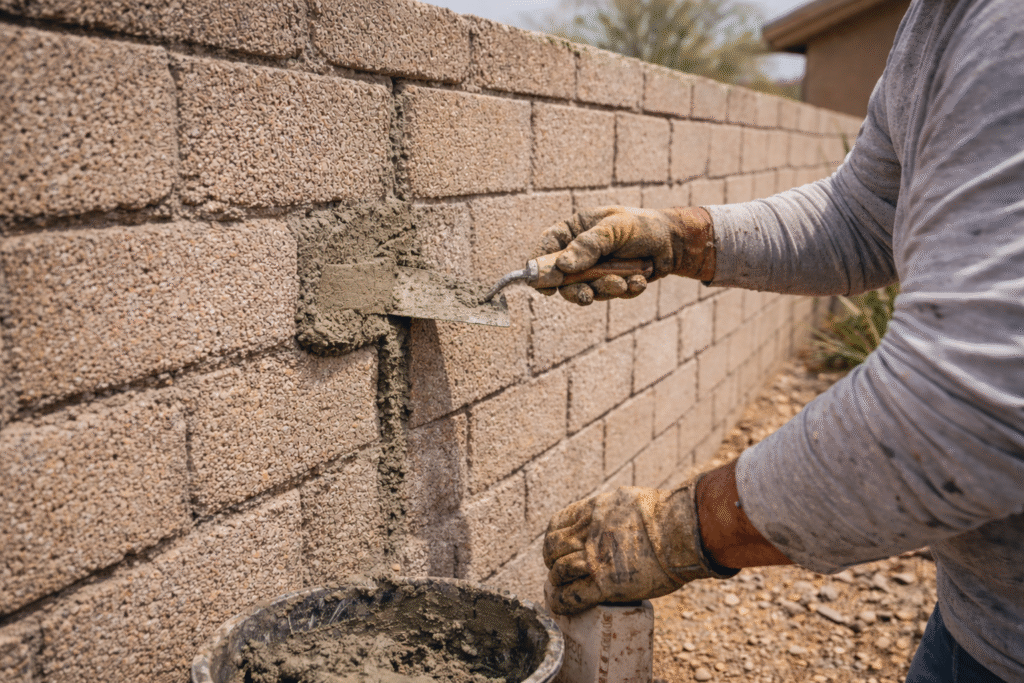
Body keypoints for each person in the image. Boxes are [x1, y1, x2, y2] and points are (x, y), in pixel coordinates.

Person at [536, 0, 1024, 681]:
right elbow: (863, 212)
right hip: (985, 619)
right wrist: (681, 238)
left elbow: (963, 413)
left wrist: (677, 529)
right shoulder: (937, 20)